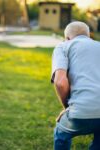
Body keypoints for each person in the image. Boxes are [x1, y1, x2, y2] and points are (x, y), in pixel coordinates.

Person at [51, 21, 100, 150]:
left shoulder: (63, 46)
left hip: (81, 112)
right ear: (89, 36)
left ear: (67, 38)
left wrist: (67, 107)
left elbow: (60, 82)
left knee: (61, 134)